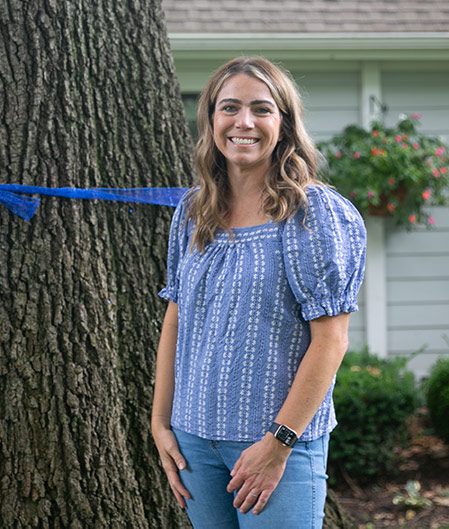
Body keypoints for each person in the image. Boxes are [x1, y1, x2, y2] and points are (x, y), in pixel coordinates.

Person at [151, 56, 366, 528]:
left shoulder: (314, 214)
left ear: (284, 124)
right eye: (229, 107)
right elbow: (176, 315)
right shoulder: (191, 212)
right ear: (211, 119)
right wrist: (160, 423)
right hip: (194, 446)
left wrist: (277, 444)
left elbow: (331, 340)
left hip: (275, 446)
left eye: (261, 109)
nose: (243, 122)